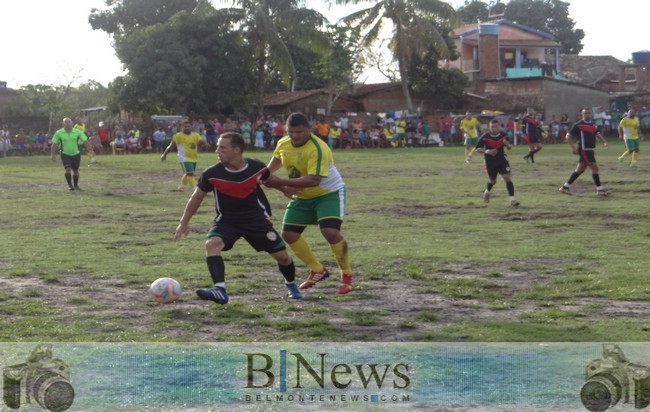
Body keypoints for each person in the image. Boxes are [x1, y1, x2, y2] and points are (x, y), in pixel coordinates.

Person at [173, 132, 302, 304]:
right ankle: (220, 290)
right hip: (227, 221)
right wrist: (184, 222)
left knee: (283, 257)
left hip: (255, 221)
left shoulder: (256, 167)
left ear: (236, 150)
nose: (217, 150)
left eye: (222, 147)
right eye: (218, 146)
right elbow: (196, 197)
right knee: (212, 244)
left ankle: (291, 284)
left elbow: (269, 179)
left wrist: (285, 188)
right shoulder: (212, 173)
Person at [264, 112, 353, 294]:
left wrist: (281, 183)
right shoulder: (283, 143)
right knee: (289, 235)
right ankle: (318, 270)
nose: (295, 136)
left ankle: (346, 274)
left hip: (328, 193)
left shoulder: (318, 148)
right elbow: (270, 169)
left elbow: (314, 180)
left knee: (330, 232)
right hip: (302, 195)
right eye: (291, 132)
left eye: (299, 132)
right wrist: (260, 177)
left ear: (309, 130)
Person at [559, 107, 610, 196]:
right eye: (585, 113)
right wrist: (573, 148)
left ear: (591, 114)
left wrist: (604, 142)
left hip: (590, 149)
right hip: (584, 149)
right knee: (595, 168)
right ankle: (600, 190)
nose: (587, 114)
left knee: (580, 169)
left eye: (588, 113)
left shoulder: (593, 124)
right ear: (582, 115)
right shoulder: (578, 125)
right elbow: (568, 136)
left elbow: (598, 134)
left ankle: (565, 187)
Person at [475, 119, 520, 207]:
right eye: (492, 127)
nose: (494, 129)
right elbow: (477, 149)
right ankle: (487, 192)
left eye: (496, 127)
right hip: (490, 162)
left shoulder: (504, 135)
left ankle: (512, 200)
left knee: (507, 178)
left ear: (499, 127)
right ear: (489, 127)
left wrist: (507, 145)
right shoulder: (485, 137)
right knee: (493, 181)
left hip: (502, 160)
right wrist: (487, 151)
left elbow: (509, 147)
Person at [50, 117, 94, 191]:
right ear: (63, 124)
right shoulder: (59, 133)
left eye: (69, 122)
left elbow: (85, 141)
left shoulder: (77, 132)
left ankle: (76, 185)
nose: (68, 123)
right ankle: (70, 185)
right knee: (68, 169)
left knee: (76, 171)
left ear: (72, 123)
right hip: (65, 154)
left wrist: (90, 150)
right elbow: (54, 144)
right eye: (66, 122)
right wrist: (53, 155)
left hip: (76, 154)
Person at [161, 120, 205, 192]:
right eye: (185, 126)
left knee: (188, 173)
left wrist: (205, 144)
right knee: (190, 174)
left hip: (193, 158)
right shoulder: (178, 136)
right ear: (182, 127)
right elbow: (171, 146)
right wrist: (164, 154)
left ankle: (181, 187)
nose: (187, 128)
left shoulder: (195, 135)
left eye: (188, 126)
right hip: (184, 158)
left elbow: (200, 142)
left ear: (191, 127)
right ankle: (196, 189)